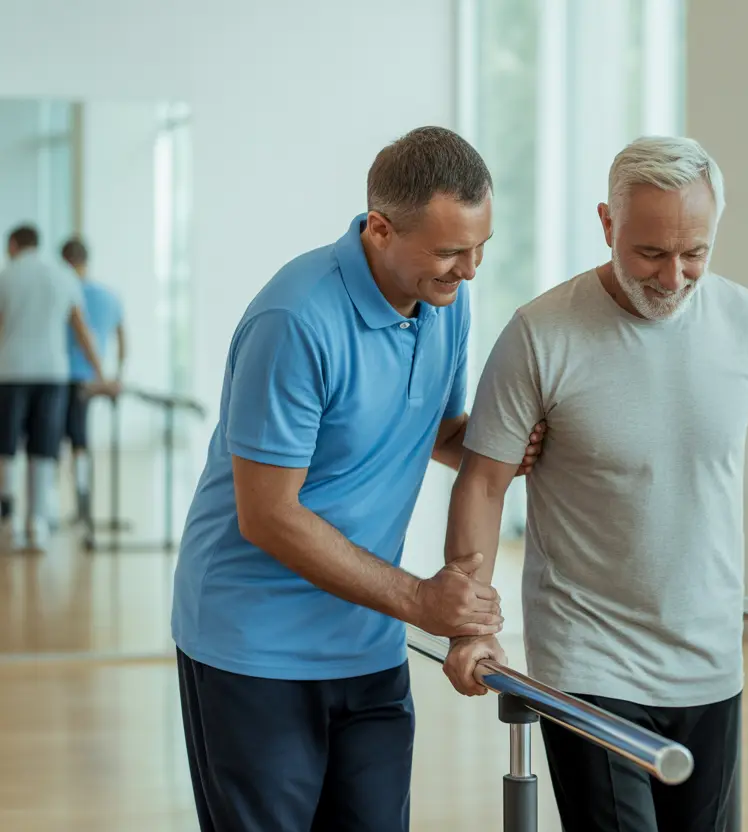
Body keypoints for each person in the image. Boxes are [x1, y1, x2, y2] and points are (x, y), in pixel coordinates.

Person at [440, 136, 748, 832]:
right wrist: (469, 629)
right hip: (588, 663)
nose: (674, 277)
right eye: (650, 253)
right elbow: (482, 483)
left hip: (711, 663)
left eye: (695, 254)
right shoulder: (541, 335)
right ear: (606, 224)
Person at [170, 126, 545, 832]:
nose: (469, 271)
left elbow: (433, 430)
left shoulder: (445, 302)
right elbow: (269, 514)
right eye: (449, 251)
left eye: (480, 248)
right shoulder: (296, 318)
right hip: (256, 648)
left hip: (368, 646)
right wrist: (421, 601)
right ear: (379, 228)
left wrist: (509, 449)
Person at [0, 224, 107, 551]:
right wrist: (101, 372)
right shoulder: (63, 277)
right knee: (43, 447)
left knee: (7, 448)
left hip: (11, 372)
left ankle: (8, 521)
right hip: (52, 373)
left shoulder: (7, 276)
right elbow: (81, 329)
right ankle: (38, 523)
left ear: (15, 245)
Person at [60, 237, 125, 527]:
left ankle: (74, 504)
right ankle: (83, 502)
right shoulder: (110, 296)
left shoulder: (66, 292)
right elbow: (124, 342)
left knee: (57, 442)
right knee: (81, 441)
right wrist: (113, 377)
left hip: (66, 377)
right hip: (96, 380)